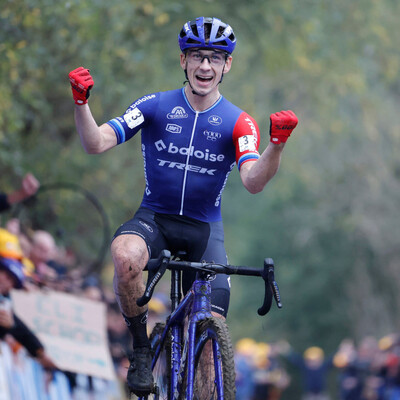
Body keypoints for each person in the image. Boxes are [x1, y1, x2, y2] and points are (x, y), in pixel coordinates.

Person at [68, 16, 298, 396]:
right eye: (197, 56)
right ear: (183, 61)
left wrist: (277, 145)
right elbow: (96, 143)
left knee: (208, 351)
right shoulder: (155, 105)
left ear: (227, 65)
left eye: (214, 58)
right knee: (125, 257)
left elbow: (253, 181)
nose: (205, 66)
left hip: (204, 231)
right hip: (154, 219)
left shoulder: (239, 122)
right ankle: (141, 350)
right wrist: (81, 104)